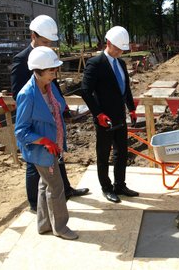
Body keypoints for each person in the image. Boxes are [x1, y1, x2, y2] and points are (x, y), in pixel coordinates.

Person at [11, 15, 89, 212]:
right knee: (34, 163)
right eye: (44, 42)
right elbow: (17, 93)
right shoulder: (21, 60)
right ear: (33, 36)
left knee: (57, 155)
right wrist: (40, 105)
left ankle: (67, 189)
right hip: (35, 119)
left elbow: (53, 83)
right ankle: (35, 204)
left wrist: (62, 107)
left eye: (49, 42)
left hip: (51, 113)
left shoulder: (47, 57)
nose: (47, 46)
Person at [14, 46, 78, 240]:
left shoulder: (48, 87)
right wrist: (43, 141)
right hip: (42, 150)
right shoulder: (27, 94)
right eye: (51, 71)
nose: (54, 73)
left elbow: (59, 107)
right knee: (56, 188)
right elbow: (21, 130)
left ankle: (44, 225)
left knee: (45, 185)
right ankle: (61, 227)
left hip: (53, 146)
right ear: (39, 71)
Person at [81, 26, 138, 203]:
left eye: (123, 49)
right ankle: (106, 187)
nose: (120, 52)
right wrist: (98, 113)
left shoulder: (121, 63)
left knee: (121, 153)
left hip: (120, 116)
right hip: (104, 118)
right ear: (108, 43)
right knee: (103, 154)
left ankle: (119, 185)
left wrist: (131, 108)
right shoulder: (95, 64)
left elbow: (125, 88)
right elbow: (85, 91)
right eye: (118, 48)